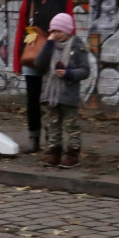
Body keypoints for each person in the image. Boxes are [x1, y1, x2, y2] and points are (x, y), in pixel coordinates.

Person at [13, 0, 74, 153]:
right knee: (32, 100)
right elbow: (20, 30)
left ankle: (52, 140)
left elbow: (71, 29)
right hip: (32, 53)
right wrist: (17, 60)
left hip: (54, 56)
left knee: (50, 100)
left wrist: (68, 57)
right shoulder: (30, 0)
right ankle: (34, 139)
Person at [32, 13, 89, 168]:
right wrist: (48, 45)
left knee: (71, 125)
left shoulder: (77, 46)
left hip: (68, 93)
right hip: (50, 93)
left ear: (68, 31)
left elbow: (85, 70)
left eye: (59, 31)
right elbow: (39, 64)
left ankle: (73, 154)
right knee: (52, 124)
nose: (55, 34)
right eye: (53, 31)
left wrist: (69, 74)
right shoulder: (50, 46)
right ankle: (54, 152)